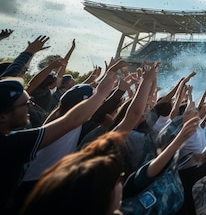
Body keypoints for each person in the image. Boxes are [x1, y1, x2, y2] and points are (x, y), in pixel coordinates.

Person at [0, 35, 123, 213]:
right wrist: (102, 92)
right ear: (3, 116)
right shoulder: (10, 145)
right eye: (25, 104)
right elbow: (72, 120)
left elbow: (7, 81)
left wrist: (28, 53)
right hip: (28, 191)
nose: (31, 104)